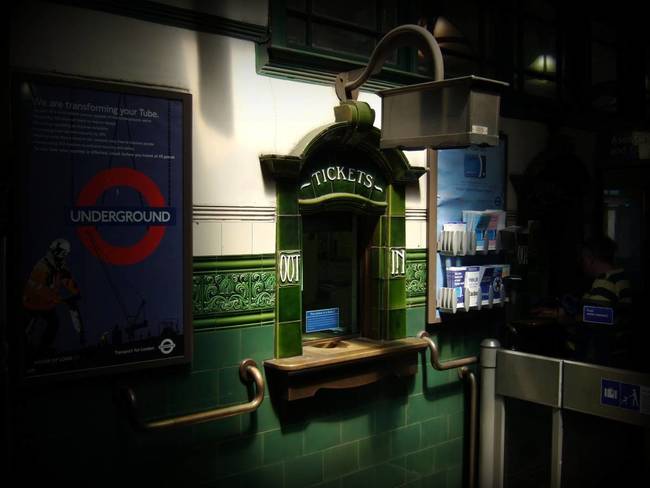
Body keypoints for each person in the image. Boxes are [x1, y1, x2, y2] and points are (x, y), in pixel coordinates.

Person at [23, 238, 84, 357]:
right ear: (55, 251)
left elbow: (67, 279)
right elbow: (39, 288)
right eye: (62, 252)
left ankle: (43, 348)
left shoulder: (59, 265)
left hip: (46, 304)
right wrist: (58, 298)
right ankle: (28, 350)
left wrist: (75, 292)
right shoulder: (42, 267)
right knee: (29, 326)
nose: (63, 255)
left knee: (54, 324)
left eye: (65, 253)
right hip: (32, 303)